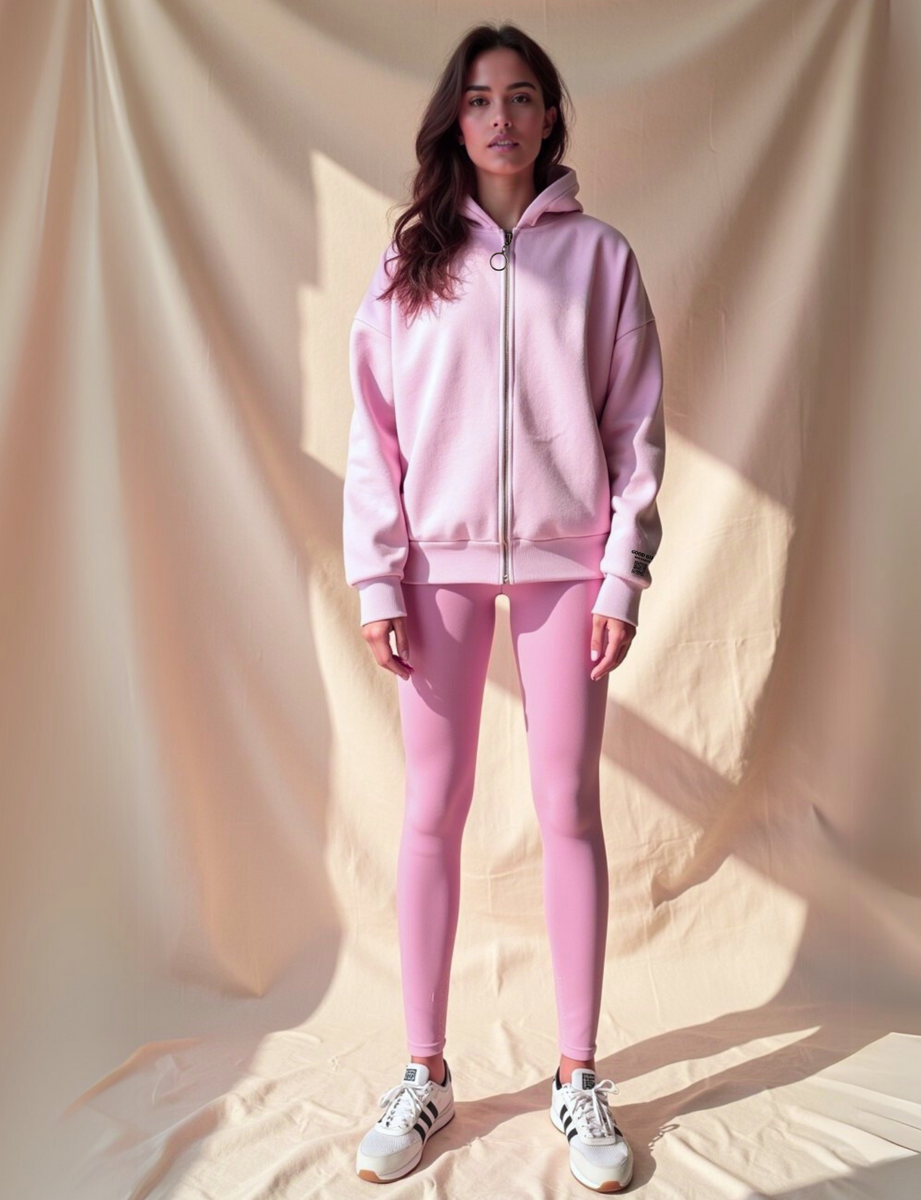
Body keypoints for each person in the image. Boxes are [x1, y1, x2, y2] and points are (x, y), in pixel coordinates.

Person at [344, 22, 664, 1193]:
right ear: (455, 119)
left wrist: (620, 574)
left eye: (522, 97)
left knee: (567, 804)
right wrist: (379, 575)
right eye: (480, 99)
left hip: (567, 568)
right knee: (431, 809)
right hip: (436, 566)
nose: (501, 118)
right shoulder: (409, 263)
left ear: (549, 116)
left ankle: (577, 1074)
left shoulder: (601, 259)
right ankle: (424, 1071)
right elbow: (373, 436)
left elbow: (636, 432)